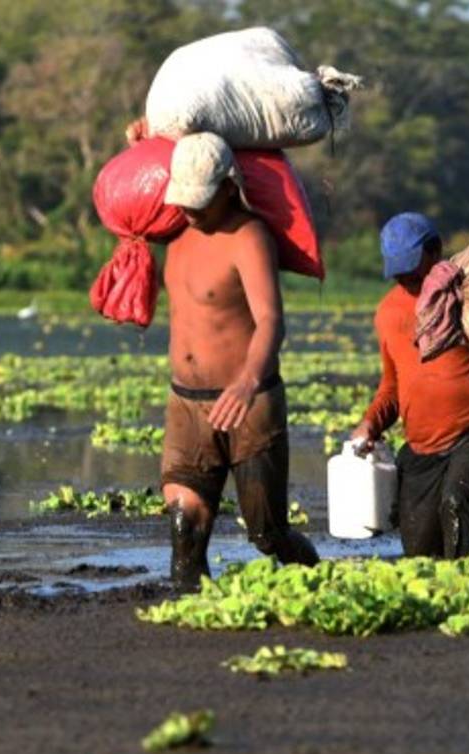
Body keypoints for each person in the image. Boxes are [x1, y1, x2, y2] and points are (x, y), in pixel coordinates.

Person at [159, 132, 318, 591]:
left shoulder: (248, 236)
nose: (190, 210)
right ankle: (193, 625)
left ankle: (315, 579)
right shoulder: (173, 232)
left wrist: (249, 380)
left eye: (200, 201)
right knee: (184, 525)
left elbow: (271, 320)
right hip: (186, 405)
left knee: (268, 534)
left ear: (228, 187)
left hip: (249, 403)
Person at [350, 212, 469, 559]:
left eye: (412, 266)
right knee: (420, 551)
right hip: (423, 447)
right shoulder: (388, 313)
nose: (406, 277)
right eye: (398, 270)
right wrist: (370, 423)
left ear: (435, 251)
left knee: (457, 501)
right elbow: (393, 387)